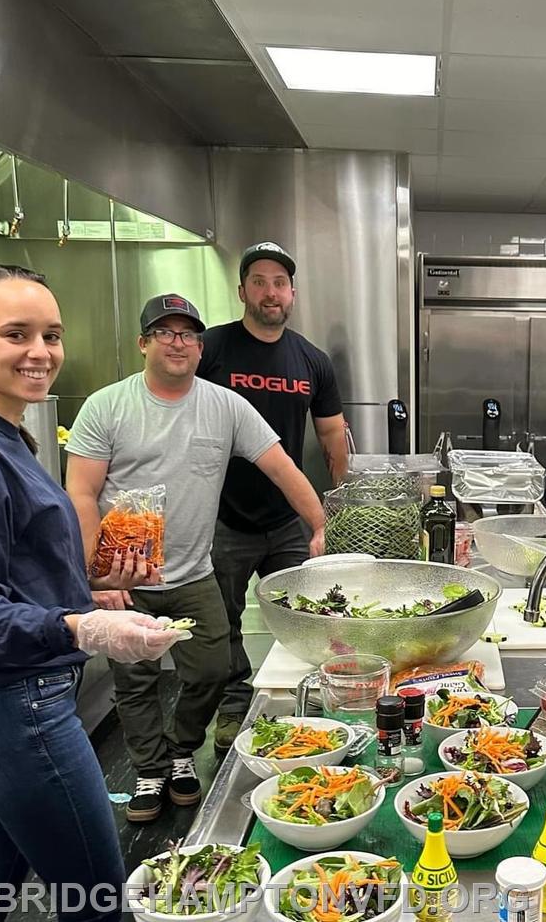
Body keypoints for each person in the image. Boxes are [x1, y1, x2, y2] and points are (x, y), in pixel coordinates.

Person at [66, 293, 326, 824]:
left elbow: (281, 467)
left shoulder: (224, 404)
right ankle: (151, 768)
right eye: (165, 332)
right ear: (143, 343)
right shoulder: (106, 406)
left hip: (194, 572)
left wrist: (321, 522)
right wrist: (97, 574)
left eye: (187, 334)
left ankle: (183, 749)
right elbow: (82, 495)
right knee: (134, 680)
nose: (178, 342)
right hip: (124, 577)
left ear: (200, 346)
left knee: (212, 668)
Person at [0, 265, 187, 921]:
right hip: (24, 709)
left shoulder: (9, 438)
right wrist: (79, 628)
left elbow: (12, 576)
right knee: (99, 900)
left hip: (9, 711)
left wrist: (86, 592)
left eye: (51, 334)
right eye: (16, 333)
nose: (40, 351)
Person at [197, 242, 347, 753]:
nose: (270, 292)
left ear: (292, 294)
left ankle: (314, 707)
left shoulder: (312, 360)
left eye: (279, 283)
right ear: (242, 291)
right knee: (223, 624)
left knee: (308, 614)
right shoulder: (211, 349)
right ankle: (234, 706)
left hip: (288, 519)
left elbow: (331, 437)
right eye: (259, 282)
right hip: (220, 518)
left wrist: (336, 508)